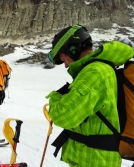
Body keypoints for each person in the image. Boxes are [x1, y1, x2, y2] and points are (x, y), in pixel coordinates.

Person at [45, 25, 133, 167]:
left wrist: (55, 98)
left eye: (64, 58)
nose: (66, 65)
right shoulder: (100, 68)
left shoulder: (94, 72)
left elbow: (64, 116)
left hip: (95, 160)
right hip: (95, 158)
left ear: (72, 49)